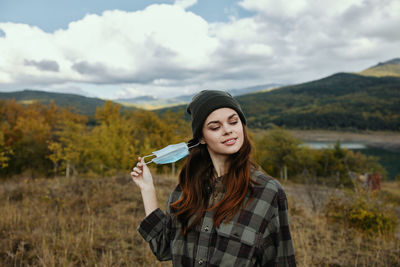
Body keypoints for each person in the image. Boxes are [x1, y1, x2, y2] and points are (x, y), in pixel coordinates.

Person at [131, 90, 296, 267]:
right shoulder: (185, 191)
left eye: (234, 121)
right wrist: (147, 189)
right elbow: (163, 249)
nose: (228, 130)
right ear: (201, 138)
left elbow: (281, 261)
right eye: (215, 127)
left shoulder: (267, 192)